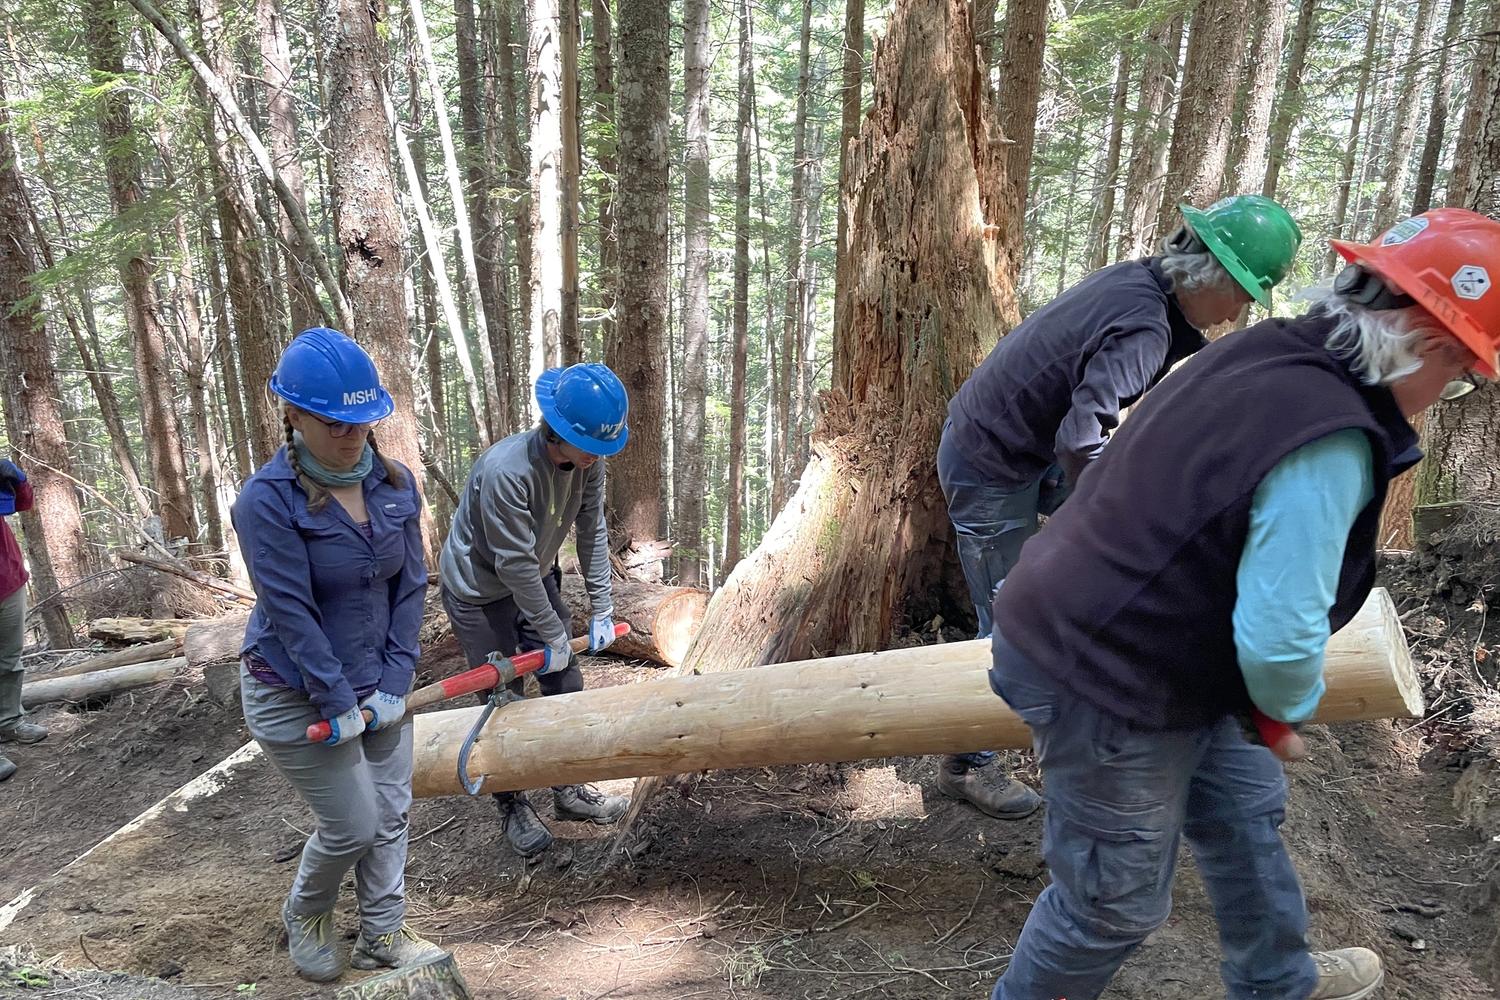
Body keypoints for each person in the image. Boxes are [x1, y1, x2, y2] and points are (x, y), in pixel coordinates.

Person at [985, 207, 1500, 1000]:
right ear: (1432, 341)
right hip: (1104, 670)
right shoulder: (1329, 437)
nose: (1449, 389)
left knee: (1245, 812)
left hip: (1159, 650)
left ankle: (1277, 981)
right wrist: (1283, 709)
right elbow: (1279, 634)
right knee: (1110, 904)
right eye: (1464, 371)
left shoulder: (1277, 350)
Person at [932, 193, 1303, 821]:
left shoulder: (1140, 282)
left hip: (1016, 446)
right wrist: (1119, 516)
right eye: (1241, 292)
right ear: (1210, 278)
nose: (1239, 310)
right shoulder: (1145, 326)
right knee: (1010, 622)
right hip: (993, 466)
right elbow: (1082, 442)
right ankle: (967, 766)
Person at [233, 327, 442, 982]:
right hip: (295, 690)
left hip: (379, 678)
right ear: (292, 414)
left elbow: (411, 586)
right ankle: (307, 910)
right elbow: (291, 614)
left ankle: (381, 934)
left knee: (391, 811)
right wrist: (338, 700)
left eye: (362, 421)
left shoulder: (394, 483)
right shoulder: (266, 503)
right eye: (333, 423)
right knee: (354, 824)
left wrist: (394, 680)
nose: (352, 435)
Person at [439, 362, 629, 859]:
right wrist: (554, 635)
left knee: (565, 684)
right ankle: (512, 803)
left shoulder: (590, 461)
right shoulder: (507, 472)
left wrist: (602, 606)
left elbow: (591, 531)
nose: (596, 458)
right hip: (480, 589)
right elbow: (514, 566)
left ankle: (567, 787)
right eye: (590, 447)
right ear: (559, 433)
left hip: (535, 572)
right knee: (502, 695)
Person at [0, 458, 44, 782]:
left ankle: (10, 722)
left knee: (10, 660)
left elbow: (24, 503)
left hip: (9, 581)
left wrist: (18, 476)